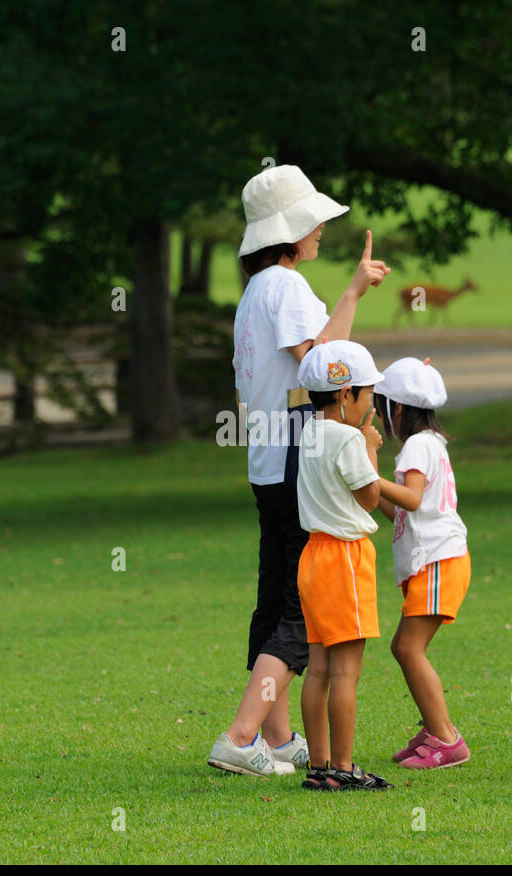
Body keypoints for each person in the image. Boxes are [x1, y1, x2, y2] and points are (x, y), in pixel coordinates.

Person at [208, 165, 389, 776]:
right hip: (296, 460)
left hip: (266, 462)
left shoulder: (251, 296)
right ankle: (240, 736)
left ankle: (279, 740)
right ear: (290, 230)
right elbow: (321, 369)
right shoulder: (286, 288)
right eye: (313, 221)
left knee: (274, 601)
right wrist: (353, 294)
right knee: (300, 611)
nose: (321, 231)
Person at [294, 341, 392, 791]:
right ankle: (345, 767)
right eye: (369, 393)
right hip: (345, 559)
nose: (371, 403)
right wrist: (371, 448)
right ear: (346, 393)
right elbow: (370, 498)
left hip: (312, 556)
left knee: (318, 668)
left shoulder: (308, 432)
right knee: (346, 671)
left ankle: (319, 766)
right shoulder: (349, 437)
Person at [372, 357, 472, 769]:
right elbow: (402, 514)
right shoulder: (431, 443)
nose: (379, 417)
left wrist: (369, 475)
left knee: (409, 648)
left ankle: (447, 740)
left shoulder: (416, 446)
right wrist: (368, 484)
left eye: (380, 408)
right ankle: (436, 730)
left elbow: (410, 499)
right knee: (405, 647)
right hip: (437, 559)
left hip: (438, 559)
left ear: (397, 408)